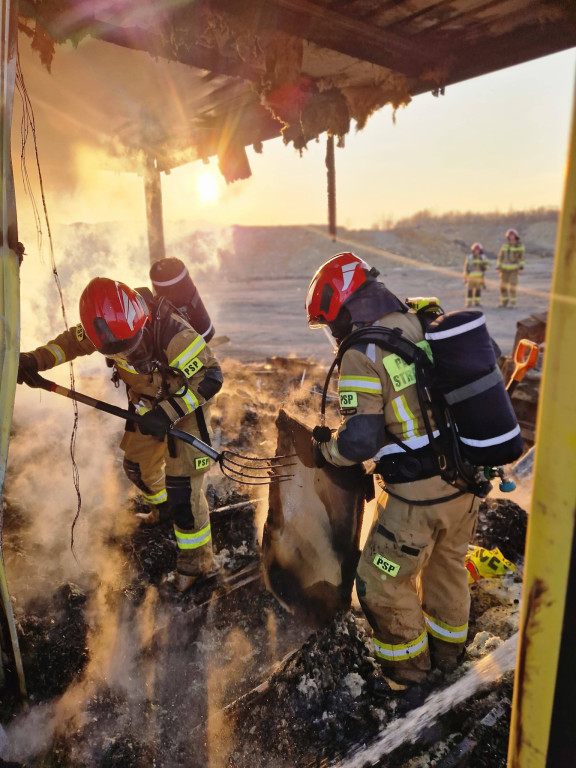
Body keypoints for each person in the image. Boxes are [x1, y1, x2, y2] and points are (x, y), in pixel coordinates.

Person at [305, 253, 481, 687]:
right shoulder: (422, 321)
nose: (332, 332)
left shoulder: (361, 352)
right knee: (447, 568)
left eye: (331, 322)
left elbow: (360, 440)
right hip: (464, 483)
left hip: (416, 500)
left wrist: (326, 451)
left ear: (344, 309)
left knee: (379, 582)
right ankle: (448, 659)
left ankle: (410, 678)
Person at [17, 276, 224, 593]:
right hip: (147, 403)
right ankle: (163, 508)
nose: (129, 357)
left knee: (185, 491)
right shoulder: (107, 328)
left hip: (186, 406)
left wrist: (167, 413)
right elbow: (71, 343)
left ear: (140, 321)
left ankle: (195, 569)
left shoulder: (175, 334)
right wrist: (35, 360)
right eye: (119, 353)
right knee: (137, 467)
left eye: (132, 346)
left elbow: (211, 379)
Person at [496, 228, 525, 308]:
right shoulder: (505, 246)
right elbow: (500, 257)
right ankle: (503, 303)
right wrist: (498, 267)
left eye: (513, 235)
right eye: (510, 235)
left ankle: (512, 304)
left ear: (516, 236)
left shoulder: (520, 246)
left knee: (512, 286)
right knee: (503, 287)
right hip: (504, 270)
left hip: (514, 270)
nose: (511, 237)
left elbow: (521, 258)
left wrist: (521, 268)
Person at [463, 242, 489, 307]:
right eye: (475, 250)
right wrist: (465, 277)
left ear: (480, 250)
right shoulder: (470, 258)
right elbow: (466, 268)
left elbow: (487, 265)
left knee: (478, 290)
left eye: (478, 250)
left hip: (479, 278)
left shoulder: (483, 258)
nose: (476, 251)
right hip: (470, 278)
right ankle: (469, 303)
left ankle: (477, 302)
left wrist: (485, 267)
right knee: (469, 290)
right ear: (473, 250)